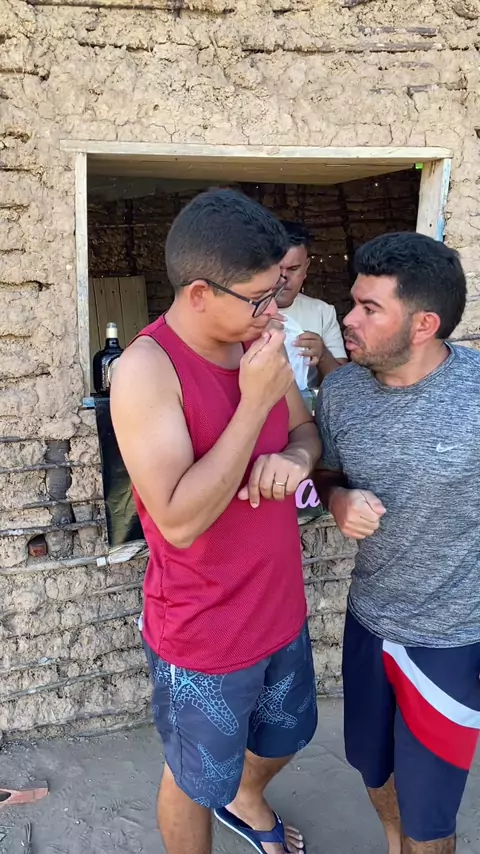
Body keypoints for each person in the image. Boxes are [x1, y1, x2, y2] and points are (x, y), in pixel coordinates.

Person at [111, 189, 321, 854]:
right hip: (204, 630)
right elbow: (178, 522)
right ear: (201, 293)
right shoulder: (148, 370)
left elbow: (306, 433)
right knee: (194, 782)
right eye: (260, 297)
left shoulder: (258, 342)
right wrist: (253, 405)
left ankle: (247, 799)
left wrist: (294, 457)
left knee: (288, 736)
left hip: (279, 606)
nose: (274, 311)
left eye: (277, 291)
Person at [313, 231, 480, 854]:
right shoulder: (342, 393)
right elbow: (325, 473)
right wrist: (337, 499)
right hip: (369, 621)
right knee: (372, 766)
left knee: (430, 818)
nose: (347, 319)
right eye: (352, 302)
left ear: (423, 324)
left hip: (452, 640)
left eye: (369, 308)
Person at [277, 221, 348, 380]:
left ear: (306, 267)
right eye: (277, 268)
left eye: (293, 269)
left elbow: (342, 382)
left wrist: (323, 355)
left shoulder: (322, 313)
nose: (283, 278)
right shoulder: (242, 310)